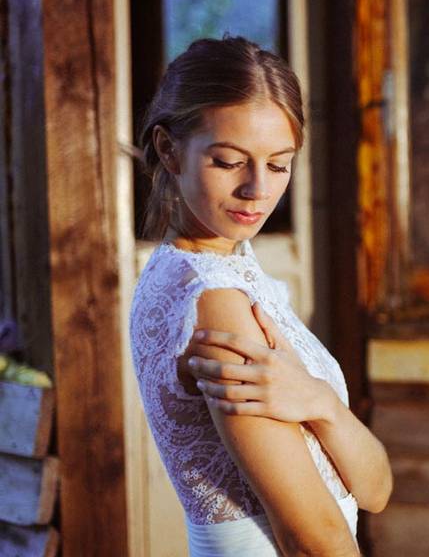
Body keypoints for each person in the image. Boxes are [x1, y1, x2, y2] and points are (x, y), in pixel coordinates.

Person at [129, 36, 392, 556]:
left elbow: (376, 490)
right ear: (168, 149)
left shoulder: (232, 264)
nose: (258, 190)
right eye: (229, 162)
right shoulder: (213, 299)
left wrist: (320, 403)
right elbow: (313, 539)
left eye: (278, 164)